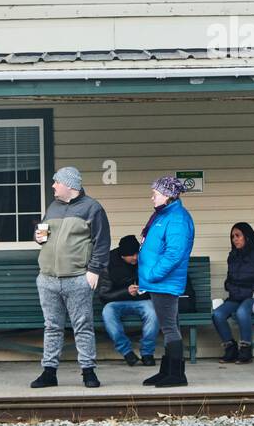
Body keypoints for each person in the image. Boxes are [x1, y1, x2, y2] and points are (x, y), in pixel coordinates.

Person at [31, 166, 112, 389]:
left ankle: (88, 372)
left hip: (78, 277)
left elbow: (102, 242)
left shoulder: (92, 208)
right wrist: (39, 237)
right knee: (52, 326)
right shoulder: (53, 207)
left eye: (56, 182)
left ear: (69, 185)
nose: (53, 186)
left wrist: (94, 270)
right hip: (47, 277)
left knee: (83, 325)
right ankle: (49, 372)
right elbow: (45, 234)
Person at [138, 175, 195, 388]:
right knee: (169, 326)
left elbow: (174, 254)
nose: (152, 197)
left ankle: (177, 375)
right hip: (159, 281)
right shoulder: (165, 215)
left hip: (164, 281)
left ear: (168, 195)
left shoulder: (177, 219)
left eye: (156, 193)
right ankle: (167, 371)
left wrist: (152, 274)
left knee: (169, 327)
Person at [212, 222, 254, 364]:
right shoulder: (233, 256)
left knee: (242, 311)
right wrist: (232, 288)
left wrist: (252, 290)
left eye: (238, 235)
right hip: (238, 297)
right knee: (217, 314)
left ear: (247, 236)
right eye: (232, 237)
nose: (235, 239)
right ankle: (230, 349)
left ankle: (245, 350)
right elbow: (228, 281)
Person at [98, 234, 159, 366]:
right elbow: (104, 295)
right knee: (107, 312)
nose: (135, 257)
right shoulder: (108, 263)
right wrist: (126, 292)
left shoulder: (145, 259)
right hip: (117, 302)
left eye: (137, 253)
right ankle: (127, 352)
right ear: (122, 255)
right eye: (131, 255)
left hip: (143, 300)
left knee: (153, 312)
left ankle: (147, 353)